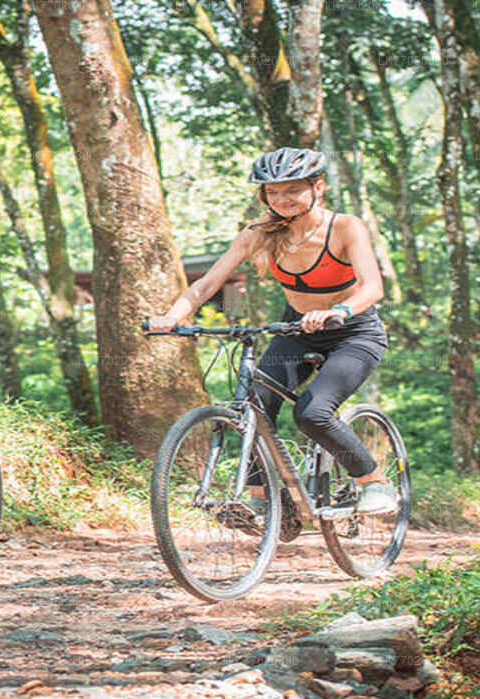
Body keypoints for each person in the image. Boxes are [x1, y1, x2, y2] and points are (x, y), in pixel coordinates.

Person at [147, 147, 399, 515]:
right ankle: (262, 502)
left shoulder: (345, 227)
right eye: (272, 192)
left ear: (318, 188)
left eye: (292, 190)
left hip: (353, 333)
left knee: (313, 414)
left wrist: (340, 310)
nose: (281, 199)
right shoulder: (257, 233)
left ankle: (374, 482)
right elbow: (206, 285)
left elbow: (373, 288)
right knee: (254, 403)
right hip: (297, 328)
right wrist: (172, 316)